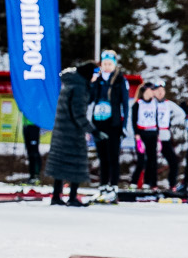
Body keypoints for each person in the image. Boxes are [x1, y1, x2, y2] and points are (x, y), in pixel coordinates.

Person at [46, 65, 95, 206]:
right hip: (73, 133)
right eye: (95, 73)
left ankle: (56, 196)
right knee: (77, 163)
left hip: (61, 131)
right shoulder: (79, 87)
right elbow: (78, 113)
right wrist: (92, 130)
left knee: (60, 164)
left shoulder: (71, 82)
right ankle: (72, 197)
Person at [88, 50, 130, 203]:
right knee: (102, 156)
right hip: (99, 123)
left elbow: (125, 104)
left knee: (113, 156)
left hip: (114, 124)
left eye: (109, 64)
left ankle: (113, 186)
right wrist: (92, 83)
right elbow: (90, 99)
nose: (106, 66)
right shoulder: (97, 79)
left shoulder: (120, 80)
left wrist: (124, 125)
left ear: (114, 65)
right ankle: (103, 185)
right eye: (104, 64)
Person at [130, 80, 164, 190]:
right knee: (141, 160)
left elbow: (156, 119)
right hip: (142, 134)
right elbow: (134, 120)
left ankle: (147, 183)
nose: (153, 92)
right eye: (152, 89)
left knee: (152, 159)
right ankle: (134, 182)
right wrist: (137, 135)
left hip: (152, 133)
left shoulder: (154, 103)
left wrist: (158, 134)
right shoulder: (138, 104)